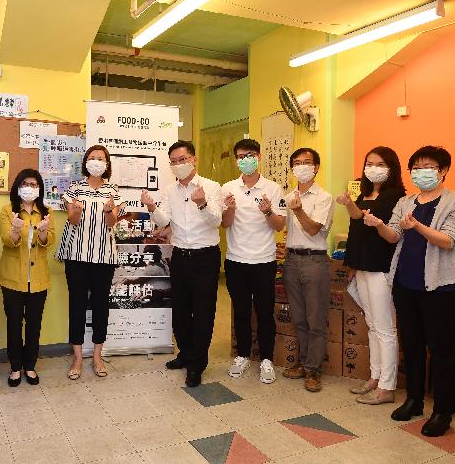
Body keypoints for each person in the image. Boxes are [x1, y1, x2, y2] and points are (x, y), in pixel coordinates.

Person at [363, 146, 455, 437]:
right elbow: (394, 236)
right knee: (411, 345)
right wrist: (377, 225)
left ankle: (443, 411)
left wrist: (418, 226)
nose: (421, 172)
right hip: (406, 284)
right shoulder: (407, 201)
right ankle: (414, 399)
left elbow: (449, 240)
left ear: (443, 170)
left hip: (442, 288)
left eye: (428, 167)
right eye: (417, 168)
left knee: (442, 351)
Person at [141, 140, 222, 388]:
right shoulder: (169, 190)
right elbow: (164, 219)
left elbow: (217, 220)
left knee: (203, 313)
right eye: (174, 161)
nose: (179, 164)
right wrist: (152, 206)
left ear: (194, 159)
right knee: (181, 311)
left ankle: (197, 365)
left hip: (206, 257)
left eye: (183, 159)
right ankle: (185, 354)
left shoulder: (211, 187)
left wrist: (203, 203)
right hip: (180, 256)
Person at [337, 146, 405, 405]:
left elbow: (381, 227)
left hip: (381, 267)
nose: (372, 168)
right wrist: (349, 204)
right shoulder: (367, 192)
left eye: (379, 164)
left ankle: (388, 387)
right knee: (373, 325)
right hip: (363, 265)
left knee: (385, 328)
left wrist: (358, 210)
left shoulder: (395, 196)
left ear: (391, 168)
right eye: (369, 163)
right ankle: (375, 376)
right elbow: (358, 221)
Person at [221, 139, 286, 385]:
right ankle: (243, 355)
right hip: (236, 260)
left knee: (265, 311)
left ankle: (267, 359)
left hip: (263, 260)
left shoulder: (273, 188)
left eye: (248, 155)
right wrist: (229, 209)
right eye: (239, 156)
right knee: (241, 311)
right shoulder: (229, 187)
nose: (244, 160)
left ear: (258, 156)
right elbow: (225, 224)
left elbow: (280, 225)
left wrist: (268, 211)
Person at [56, 145, 122, 380]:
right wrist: (76, 210)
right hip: (76, 254)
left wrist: (108, 211)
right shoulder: (74, 188)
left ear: (106, 164)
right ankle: (76, 357)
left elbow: (112, 223)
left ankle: (97, 355)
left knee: (101, 305)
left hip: (104, 256)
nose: (96, 161)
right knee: (77, 303)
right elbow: (72, 220)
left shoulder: (113, 189)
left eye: (100, 158)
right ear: (85, 162)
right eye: (92, 158)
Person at [281, 147, 335, 393]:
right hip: (291, 260)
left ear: (316, 167)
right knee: (299, 318)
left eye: (307, 162)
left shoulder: (324, 197)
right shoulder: (289, 194)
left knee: (315, 320)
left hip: (314, 261)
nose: (301, 166)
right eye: (297, 162)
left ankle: (314, 370)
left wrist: (298, 210)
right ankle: (303, 363)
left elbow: (314, 230)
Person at [0, 169, 55, 387]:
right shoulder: (7, 210)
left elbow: (49, 242)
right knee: (13, 323)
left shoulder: (46, 212)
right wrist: (14, 230)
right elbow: (6, 241)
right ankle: (14, 368)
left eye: (34, 184)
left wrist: (42, 233)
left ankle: (30, 365)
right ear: (18, 187)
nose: (29, 187)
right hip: (12, 279)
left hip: (38, 279)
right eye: (25, 183)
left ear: (39, 188)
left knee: (34, 324)